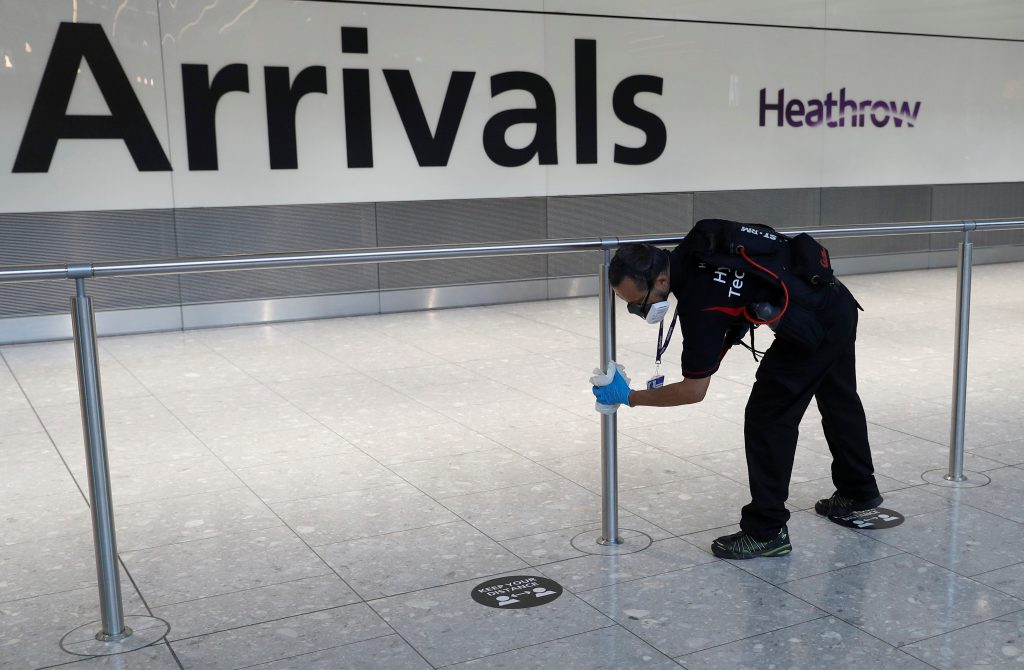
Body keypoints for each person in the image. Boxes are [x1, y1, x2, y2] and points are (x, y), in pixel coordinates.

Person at [592, 232, 882, 560]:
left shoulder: (699, 304)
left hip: (813, 325)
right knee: (837, 396)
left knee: (767, 417)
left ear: (660, 280)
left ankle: (766, 531)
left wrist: (629, 396)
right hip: (836, 303)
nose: (636, 310)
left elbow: (693, 390)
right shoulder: (701, 243)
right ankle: (858, 490)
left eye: (637, 302)